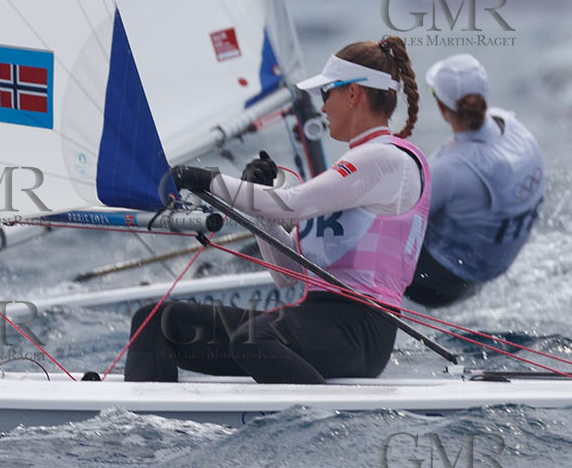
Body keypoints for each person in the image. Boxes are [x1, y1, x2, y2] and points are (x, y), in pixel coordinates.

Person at [126, 35, 428, 385]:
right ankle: (140, 426)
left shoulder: (388, 161)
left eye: (324, 94)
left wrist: (206, 180)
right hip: (316, 322)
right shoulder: (354, 167)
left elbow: (293, 205)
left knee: (255, 338)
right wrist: (262, 206)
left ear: (352, 93)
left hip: (362, 332)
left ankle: (318, 422)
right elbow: (286, 274)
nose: (323, 107)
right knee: (157, 322)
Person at [403, 54, 545, 307]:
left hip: (436, 287)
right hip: (489, 272)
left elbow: (398, 218)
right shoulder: (512, 126)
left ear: (442, 108)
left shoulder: (449, 167)